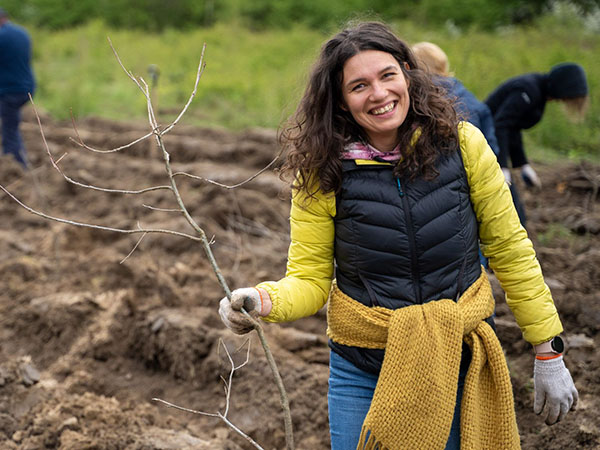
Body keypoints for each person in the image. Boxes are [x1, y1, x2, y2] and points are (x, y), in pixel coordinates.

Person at [218, 22, 578, 450]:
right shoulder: (322, 171)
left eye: (388, 75)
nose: (379, 93)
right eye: (359, 85)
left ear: (408, 72)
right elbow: (310, 279)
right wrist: (262, 300)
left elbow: (510, 250)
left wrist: (547, 349)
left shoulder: (463, 145)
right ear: (340, 101)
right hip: (363, 365)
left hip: (454, 359)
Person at [485, 63, 588, 224]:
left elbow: (513, 128)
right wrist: (503, 166)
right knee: (507, 200)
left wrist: (523, 164)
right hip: (484, 140)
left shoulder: (539, 94)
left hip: (493, 141)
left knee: (514, 205)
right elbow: (501, 124)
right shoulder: (528, 90)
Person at [0, 7, 36, 168]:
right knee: (11, 125)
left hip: (10, 91)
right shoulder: (22, 33)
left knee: (9, 130)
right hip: (26, 88)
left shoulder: (2, 36)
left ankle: (15, 165)